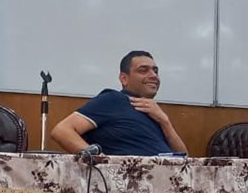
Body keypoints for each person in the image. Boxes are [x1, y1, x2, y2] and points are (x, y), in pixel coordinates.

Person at [51, 50, 187, 156]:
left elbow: (184, 159)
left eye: (155, 71)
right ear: (124, 79)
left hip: (169, 180)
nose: (153, 75)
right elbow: (62, 131)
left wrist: (164, 121)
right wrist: (101, 163)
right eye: (143, 70)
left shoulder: (156, 113)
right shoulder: (113, 99)